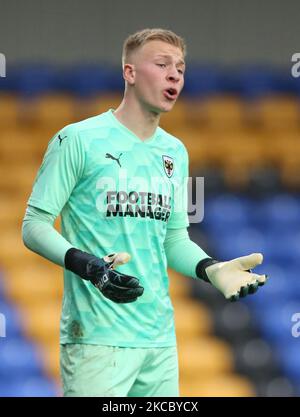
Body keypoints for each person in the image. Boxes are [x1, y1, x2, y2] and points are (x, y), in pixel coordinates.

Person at [22, 28, 268, 397]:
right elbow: (33, 225)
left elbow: (173, 239)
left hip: (159, 341)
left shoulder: (175, 152)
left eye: (181, 69)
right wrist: (87, 265)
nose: (175, 75)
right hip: (97, 341)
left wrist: (210, 268)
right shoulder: (77, 139)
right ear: (130, 73)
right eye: (162, 64)